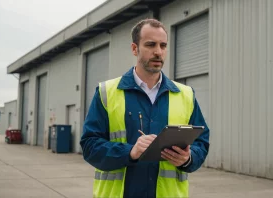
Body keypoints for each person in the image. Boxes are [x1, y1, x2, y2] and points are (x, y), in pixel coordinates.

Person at [80, 18, 210, 198]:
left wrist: (188, 158)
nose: (158, 52)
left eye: (163, 45)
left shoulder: (186, 95)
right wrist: (129, 152)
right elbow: (89, 145)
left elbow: (201, 143)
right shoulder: (106, 93)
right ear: (135, 48)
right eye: (150, 45)